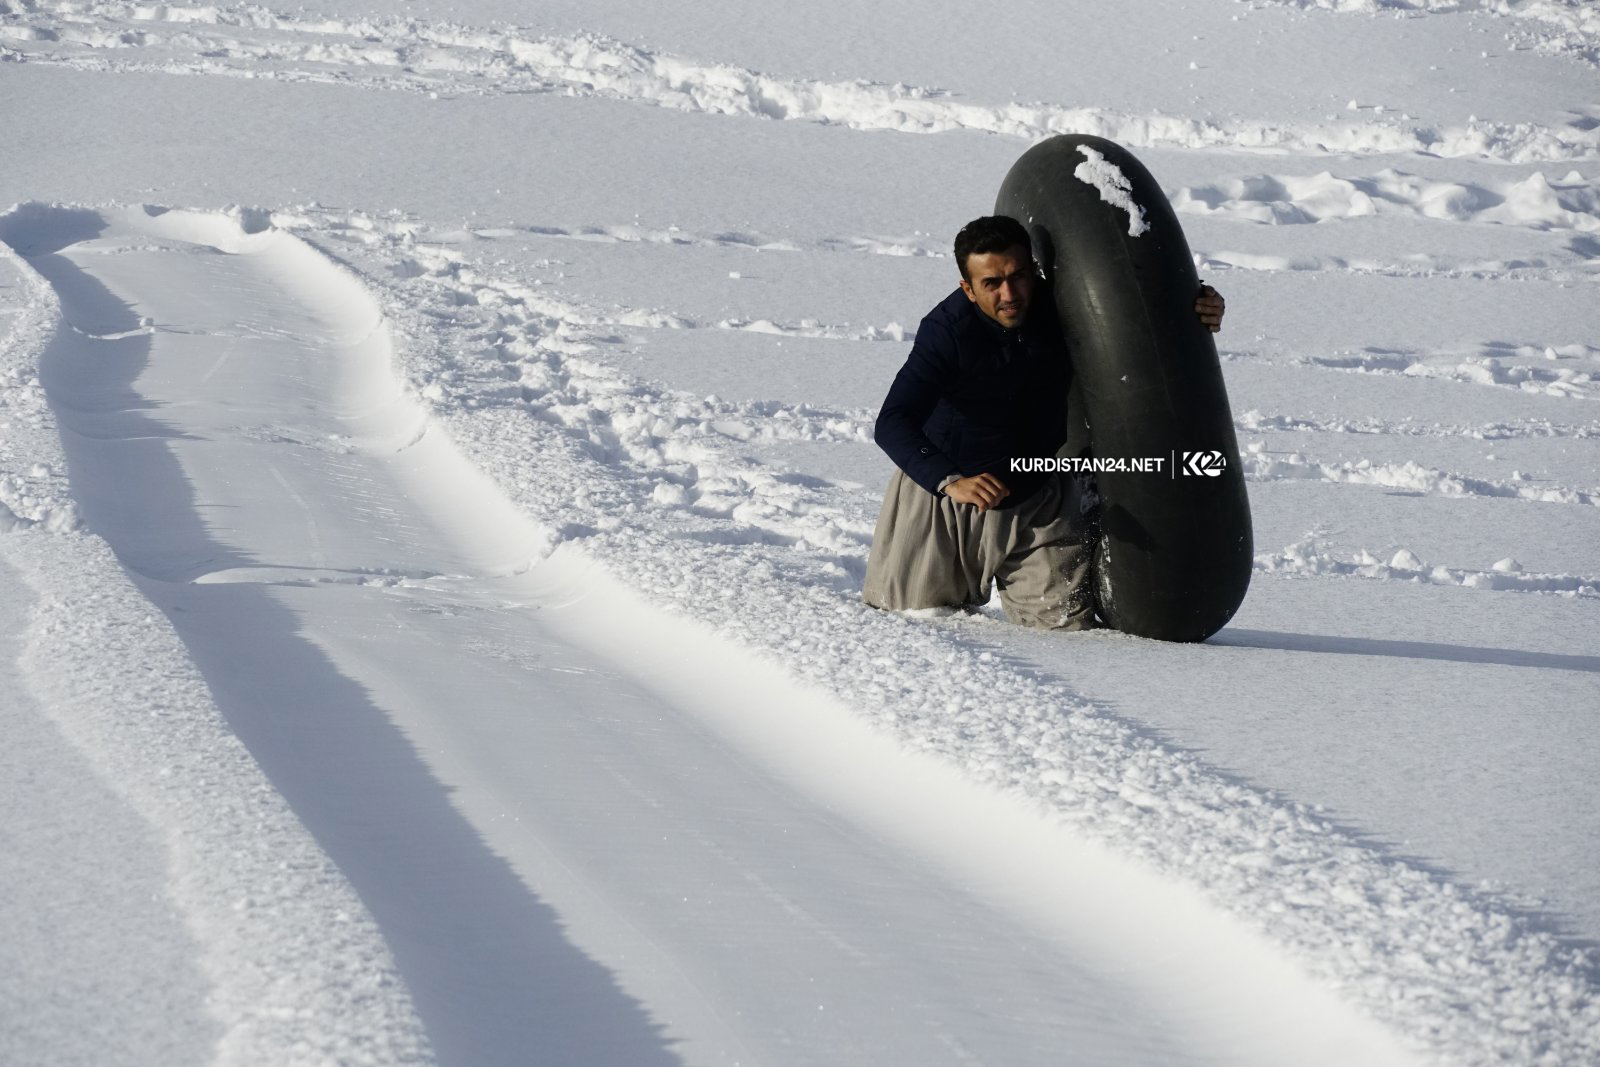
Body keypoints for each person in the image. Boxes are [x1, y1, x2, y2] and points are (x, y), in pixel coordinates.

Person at [862, 215, 1225, 630]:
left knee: (1065, 633)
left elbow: (1139, 312)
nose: (1010, 294)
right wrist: (949, 479)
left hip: (1037, 498)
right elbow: (892, 421)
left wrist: (1201, 306)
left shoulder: (1064, 306)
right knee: (914, 623)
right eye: (991, 283)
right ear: (968, 288)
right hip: (945, 501)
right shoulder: (946, 332)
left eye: (1019, 276)